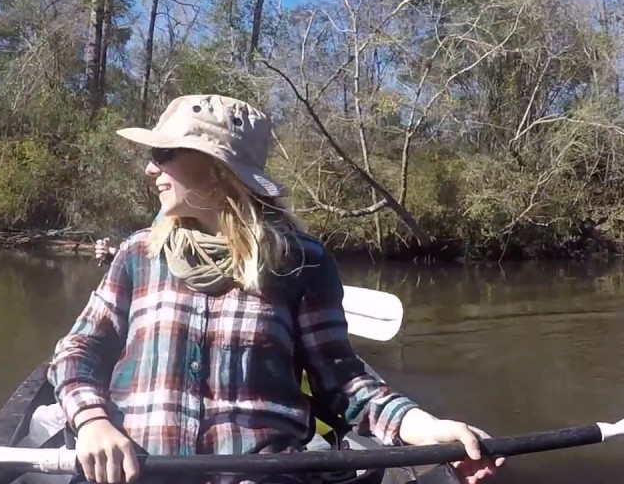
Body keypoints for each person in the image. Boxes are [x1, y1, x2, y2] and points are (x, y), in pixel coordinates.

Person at [48, 95, 505, 484]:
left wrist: (423, 428)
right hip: (145, 472)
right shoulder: (138, 254)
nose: (151, 169)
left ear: (216, 169)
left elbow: (342, 381)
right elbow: (77, 352)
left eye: (165, 155)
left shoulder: (301, 262)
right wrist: (92, 422)